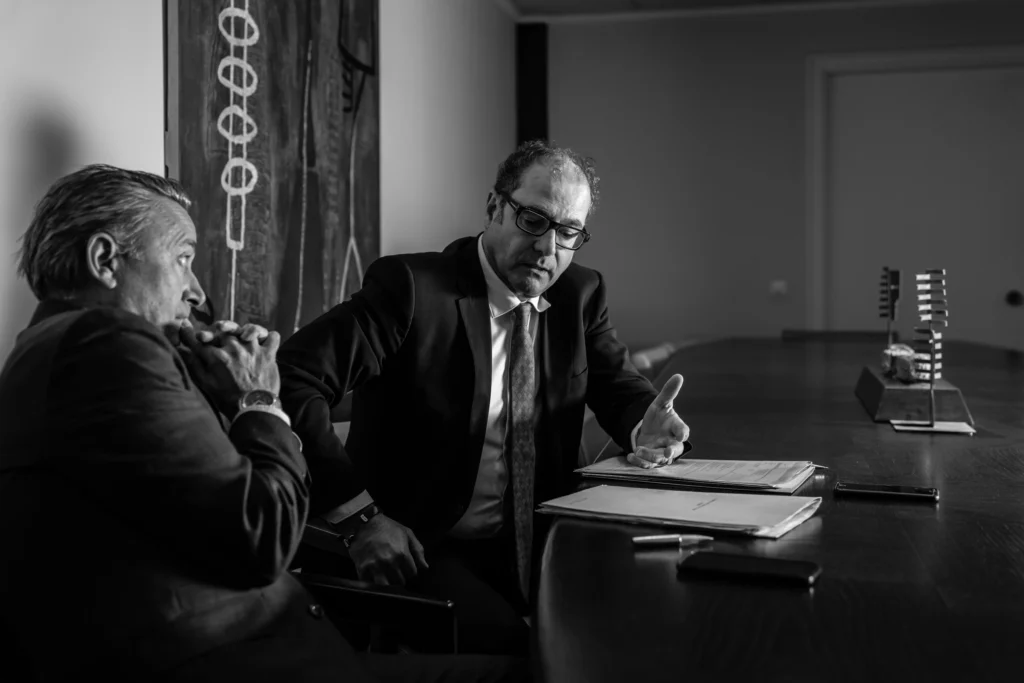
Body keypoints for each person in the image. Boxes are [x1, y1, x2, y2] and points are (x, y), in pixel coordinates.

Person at [0, 164, 525, 682]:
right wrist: (258, 398)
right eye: (183, 259)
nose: (196, 292)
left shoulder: (51, 352)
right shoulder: (112, 349)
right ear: (104, 260)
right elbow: (264, 539)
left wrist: (222, 399)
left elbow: (194, 507)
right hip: (236, 659)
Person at [277, 140, 691, 655]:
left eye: (568, 232)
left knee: (639, 624)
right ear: (495, 207)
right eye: (533, 220)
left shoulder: (579, 294)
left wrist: (643, 424)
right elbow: (291, 378)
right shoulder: (412, 289)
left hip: (542, 534)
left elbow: (616, 384)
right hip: (424, 541)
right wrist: (360, 519)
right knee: (519, 655)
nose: (548, 248)